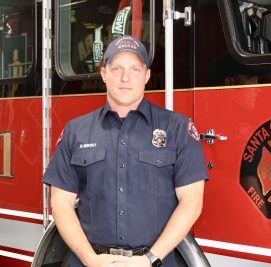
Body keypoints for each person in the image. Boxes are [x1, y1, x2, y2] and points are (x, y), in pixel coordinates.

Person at [43, 35, 208, 267]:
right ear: (104, 74)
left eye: (134, 69)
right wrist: (90, 259)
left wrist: (150, 259)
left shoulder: (178, 128)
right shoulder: (76, 130)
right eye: (117, 68)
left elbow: (192, 201)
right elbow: (61, 203)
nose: (125, 78)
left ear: (147, 76)